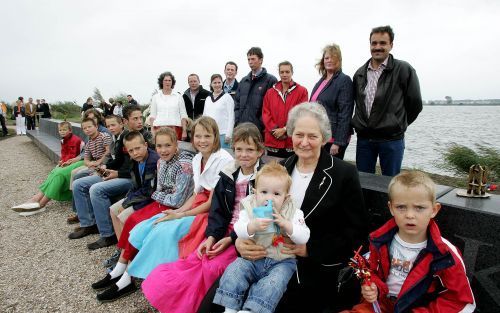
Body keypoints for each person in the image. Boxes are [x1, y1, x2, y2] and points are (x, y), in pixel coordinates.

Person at [235, 102, 369, 312]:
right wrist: (241, 243)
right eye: (299, 134)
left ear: (324, 138)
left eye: (312, 136)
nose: (304, 142)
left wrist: (309, 249)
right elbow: (249, 212)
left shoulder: (343, 174)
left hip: (315, 271)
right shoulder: (277, 170)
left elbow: (357, 235)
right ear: (291, 134)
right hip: (267, 260)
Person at [142, 123, 265, 313]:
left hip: (246, 234)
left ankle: (208, 305)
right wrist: (211, 237)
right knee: (198, 257)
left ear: (260, 151)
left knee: (213, 267)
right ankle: (181, 302)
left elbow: (260, 217)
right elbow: (218, 211)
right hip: (224, 229)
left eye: (250, 149)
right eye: (239, 149)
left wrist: (231, 239)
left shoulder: (264, 177)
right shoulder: (228, 173)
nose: (244, 154)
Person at [342, 171, 476, 313]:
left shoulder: (445, 253)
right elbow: (370, 270)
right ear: (391, 208)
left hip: (418, 308)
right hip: (378, 304)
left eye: (419, 208)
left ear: (434, 210)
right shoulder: (380, 240)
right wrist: (372, 286)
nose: (410, 215)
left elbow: (462, 302)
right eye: (401, 207)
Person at [124, 116, 233, 279]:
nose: (202, 140)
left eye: (207, 136)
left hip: (213, 211)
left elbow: (212, 202)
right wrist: (178, 212)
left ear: (216, 137)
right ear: (192, 137)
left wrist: (181, 214)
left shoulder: (224, 160)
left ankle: (160, 277)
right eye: (198, 136)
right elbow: (197, 193)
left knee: (167, 231)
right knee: (156, 223)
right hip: (198, 204)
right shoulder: (197, 158)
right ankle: (139, 272)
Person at [92, 127, 194, 302]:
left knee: (139, 224)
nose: (163, 150)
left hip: (174, 206)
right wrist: (159, 194)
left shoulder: (184, 164)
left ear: (176, 144)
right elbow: (159, 189)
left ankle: (127, 277)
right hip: (161, 202)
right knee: (132, 220)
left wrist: (158, 194)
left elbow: (176, 199)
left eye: (168, 145)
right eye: (160, 146)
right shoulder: (162, 162)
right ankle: (121, 267)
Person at [214, 162, 310, 313]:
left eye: (276, 194)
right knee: (234, 271)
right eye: (264, 192)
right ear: (255, 192)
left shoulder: (294, 212)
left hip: (281, 262)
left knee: (274, 284)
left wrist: (287, 225)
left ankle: (252, 310)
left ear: (286, 197)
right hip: (252, 259)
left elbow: (304, 236)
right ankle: (230, 307)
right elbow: (239, 229)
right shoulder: (250, 207)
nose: (268, 198)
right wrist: (251, 226)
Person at [352, 25, 423, 176]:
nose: (377, 47)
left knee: (391, 184)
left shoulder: (403, 69)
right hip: (364, 139)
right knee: (363, 183)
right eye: (374, 43)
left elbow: (415, 104)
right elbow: (358, 105)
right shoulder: (359, 73)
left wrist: (397, 123)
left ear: (391, 45)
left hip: (391, 140)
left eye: (382, 43)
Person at [11, 121, 84, 216]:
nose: (62, 131)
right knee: (54, 171)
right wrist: (62, 161)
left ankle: (40, 204)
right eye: (60, 130)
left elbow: (73, 154)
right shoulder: (64, 139)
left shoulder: (76, 140)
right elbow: (64, 153)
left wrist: (67, 162)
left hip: (78, 161)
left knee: (59, 174)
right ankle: (36, 198)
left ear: (70, 130)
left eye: (64, 130)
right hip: (75, 160)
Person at [310, 44, 354, 160]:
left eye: (333, 57)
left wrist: (338, 142)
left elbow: (345, 113)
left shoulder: (344, 80)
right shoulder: (321, 81)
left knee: (331, 172)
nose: (329, 60)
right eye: (327, 58)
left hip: (333, 139)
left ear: (339, 60)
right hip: (320, 135)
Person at [262, 61, 308, 158]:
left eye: (287, 72)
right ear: (279, 73)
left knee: (290, 171)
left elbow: (301, 114)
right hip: (272, 141)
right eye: (282, 72)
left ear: (292, 72)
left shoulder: (302, 91)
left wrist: (285, 129)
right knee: (273, 171)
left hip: (291, 141)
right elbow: (266, 113)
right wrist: (275, 130)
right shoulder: (270, 92)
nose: (284, 74)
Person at [234, 47, 277, 132]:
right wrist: (237, 121)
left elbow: (272, 107)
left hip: (259, 130)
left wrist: (261, 124)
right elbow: (237, 104)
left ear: (261, 60)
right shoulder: (243, 81)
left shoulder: (271, 80)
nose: (250, 62)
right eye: (248, 59)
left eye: (253, 59)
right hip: (241, 128)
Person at [149, 71, 189, 140]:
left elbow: (183, 115)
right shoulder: (155, 97)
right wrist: (152, 130)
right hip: (159, 129)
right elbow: (153, 115)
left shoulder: (178, 96)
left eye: (169, 80)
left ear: (172, 82)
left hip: (176, 129)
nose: (167, 82)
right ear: (161, 82)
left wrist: (184, 131)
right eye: (165, 80)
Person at [203, 74, 235, 149]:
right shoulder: (208, 99)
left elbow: (231, 117)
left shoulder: (227, 97)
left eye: (219, 82)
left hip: (223, 134)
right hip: (210, 133)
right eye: (214, 83)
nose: (217, 85)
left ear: (222, 83)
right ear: (211, 84)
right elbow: (204, 116)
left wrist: (229, 134)